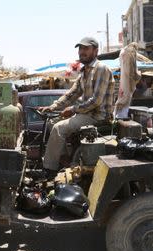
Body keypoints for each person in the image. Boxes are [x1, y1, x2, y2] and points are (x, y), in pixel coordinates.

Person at [38, 36, 114, 175]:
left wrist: (73, 109)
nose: (82, 52)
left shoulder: (101, 69)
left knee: (58, 128)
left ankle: (49, 169)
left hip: (98, 117)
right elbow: (71, 94)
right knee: (51, 122)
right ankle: (66, 159)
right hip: (86, 114)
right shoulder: (84, 72)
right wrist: (53, 106)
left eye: (86, 48)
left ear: (95, 51)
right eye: (80, 48)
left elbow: (96, 100)